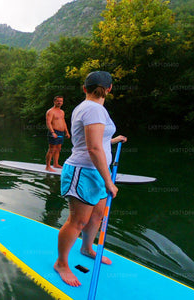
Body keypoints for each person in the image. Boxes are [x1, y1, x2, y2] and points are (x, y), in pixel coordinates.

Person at [53, 71, 127, 287]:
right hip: (84, 171)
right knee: (78, 221)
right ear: (110, 88)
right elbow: (93, 148)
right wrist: (109, 181)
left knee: (96, 217)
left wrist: (113, 140)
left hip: (97, 171)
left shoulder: (90, 108)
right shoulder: (94, 109)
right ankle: (61, 263)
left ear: (84, 88)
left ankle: (87, 248)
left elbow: (96, 141)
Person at [46, 96, 71, 172]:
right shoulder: (50, 111)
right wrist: (52, 132)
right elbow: (48, 122)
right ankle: (48, 166)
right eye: (58, 101)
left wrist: (67, 131)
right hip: (54, 132)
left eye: (61, 101)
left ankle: (55, 164)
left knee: (58, 149)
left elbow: (63, 122)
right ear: (54, 102)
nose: (59, 102)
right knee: (52, 149)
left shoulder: (62, 112)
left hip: (61, 132)